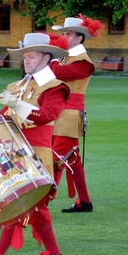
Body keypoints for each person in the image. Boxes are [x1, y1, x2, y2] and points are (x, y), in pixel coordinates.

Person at [0, 33, 70, 255]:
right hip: (15, 153)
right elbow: (4, 117)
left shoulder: (55, 86)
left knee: (19, 201)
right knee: (35, 208)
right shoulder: (17, 85)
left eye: (31, 55)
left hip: (37, 153)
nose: (26, 59)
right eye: (24, 55)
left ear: (46, 57)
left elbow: (48, 115)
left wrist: (17, 105)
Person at [50, 15, 103, 213]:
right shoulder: (66, 56)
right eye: (63, 33)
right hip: (59, 111)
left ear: (79, 37)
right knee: (72, 160)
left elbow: (58, 73)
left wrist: (51, 55)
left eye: (68, 34)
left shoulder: (82, 61)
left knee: (55, 158)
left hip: (69, 113)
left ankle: (42, 202)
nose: (63, 37)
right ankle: (85, 201)